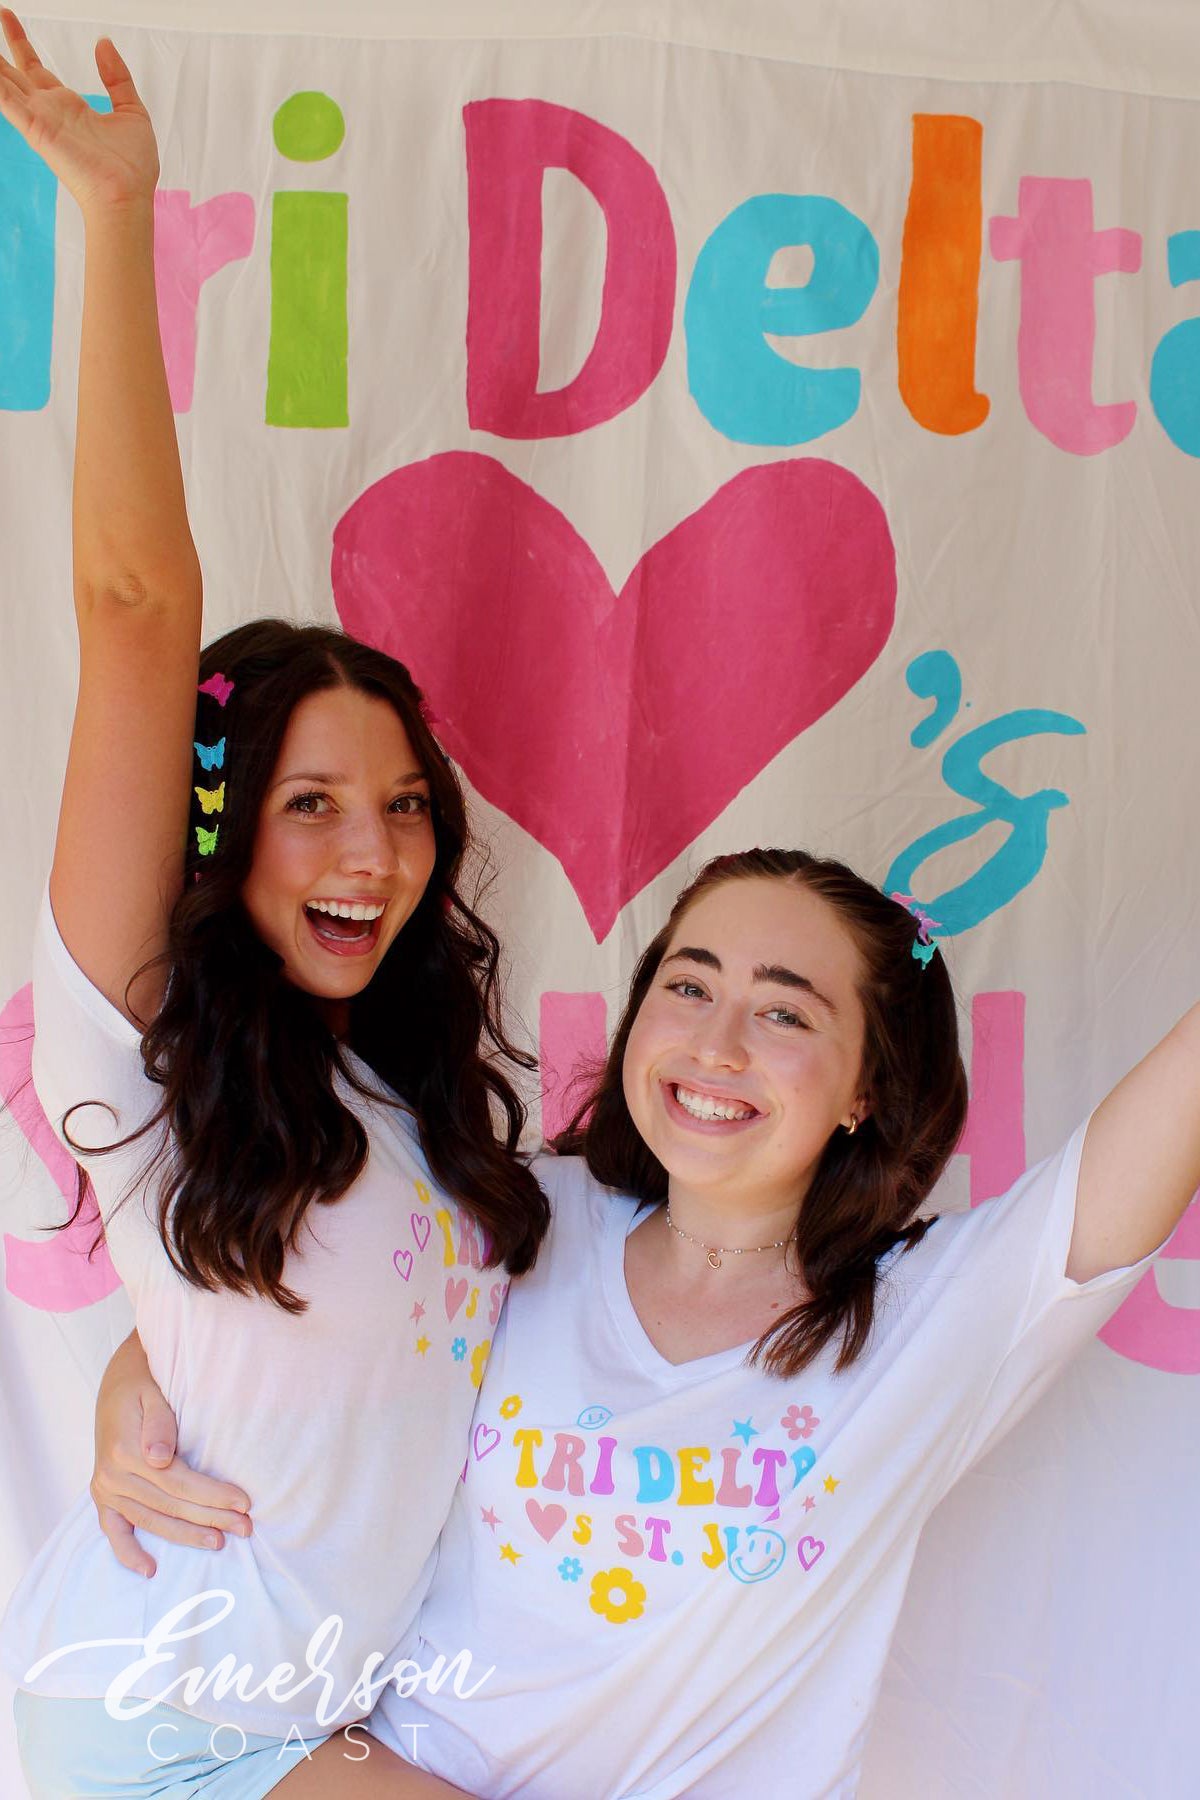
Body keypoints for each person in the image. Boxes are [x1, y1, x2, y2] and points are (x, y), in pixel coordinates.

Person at [91, 848, 1193, 1797]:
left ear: (866, 1088)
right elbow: (280, 1317)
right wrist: (135, 1374)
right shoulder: (512, 1212)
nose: (717, 1044)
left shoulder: (936, 1313)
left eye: (785, 1012)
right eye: (689, 985)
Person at [0, 13, 546, 1798]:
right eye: (309, 808)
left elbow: (299, 1355)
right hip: (162, 1717)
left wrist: (133, 1373)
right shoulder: (136, 1050)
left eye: (402, 807)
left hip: (329, 1706)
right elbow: (137, 612)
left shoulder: (400, 1093)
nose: (370, 855)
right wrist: (114, 217)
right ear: (219, 839)